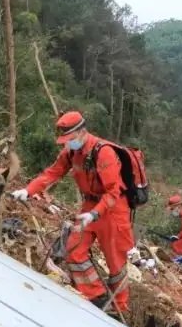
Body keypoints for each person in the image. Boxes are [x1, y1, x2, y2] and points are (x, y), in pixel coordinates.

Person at [11, 112, 135, 312]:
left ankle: (119, 308)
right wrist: (28, 190)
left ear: (82, 132)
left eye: (70, 139)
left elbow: (113, 191)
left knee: (115, 262)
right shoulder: (70, 152)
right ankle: (97, 298)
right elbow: (52, 172)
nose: (67, 144)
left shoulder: (104, 153)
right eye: (64, 141)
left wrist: (95, 214)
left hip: (112, 209)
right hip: (89, 205)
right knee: (73, 250)